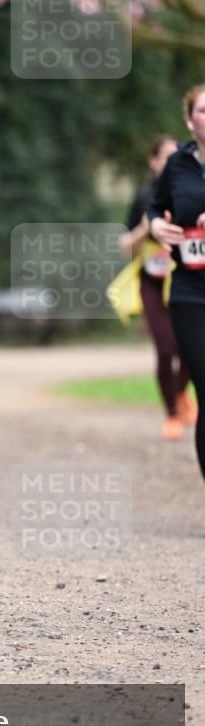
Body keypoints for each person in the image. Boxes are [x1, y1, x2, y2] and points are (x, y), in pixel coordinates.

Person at [119, 135, 196, 440]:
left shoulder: (188, 191)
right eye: (165, 156)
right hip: (151, 281)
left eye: (176, 155)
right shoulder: (143, 197)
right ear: (153, 162)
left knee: (190, 348)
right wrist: (146, 226)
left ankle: (180, 395)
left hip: (184, 277)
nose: (171, 161)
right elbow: (124, 246)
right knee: (166, 348)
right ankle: (172, 414)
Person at [147, 83, 205, 480]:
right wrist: (157, 226)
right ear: (190, 119)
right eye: (203, 110)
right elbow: (155, 205)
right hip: (190, 291)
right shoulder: (178, 164)